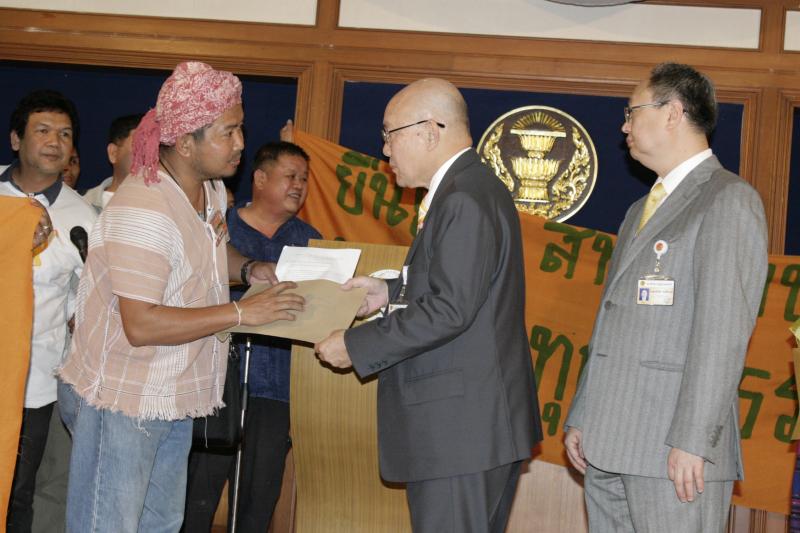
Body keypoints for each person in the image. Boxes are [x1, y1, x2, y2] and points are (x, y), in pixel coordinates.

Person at [57, 61, 305, 533]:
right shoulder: (144, 209)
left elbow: (209, 251)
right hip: (124, 398)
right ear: (186, 143)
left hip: (171, 394)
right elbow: (141, 324)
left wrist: (249, 269)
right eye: (228, 132)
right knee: (107, 525)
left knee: (162, 524)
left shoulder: (210, 189)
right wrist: (241, 312)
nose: (241, 143)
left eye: (240, 128)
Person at [315, 78, 542, 533]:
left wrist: (356, 346)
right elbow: (461, 285)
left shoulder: (464, 198)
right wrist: (390, 290)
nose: (385, 150)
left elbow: (449, 309)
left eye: (390, 134)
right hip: (469, 427)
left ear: (429, 131)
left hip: (460, 430)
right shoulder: (468, 187)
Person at [563, 62, 768, 533]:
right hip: (608, 442)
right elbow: (612, 322)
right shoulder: (640, 209)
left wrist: (694, 440)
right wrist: (583, 414)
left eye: (631, 112)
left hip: (673, 453)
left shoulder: (727, 199)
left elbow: (722, 334)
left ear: (673, 113)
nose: (624, 127)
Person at [183, 140, 321, 532]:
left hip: (277, 391)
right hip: (215, 385)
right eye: (290, 176)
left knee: (258, 503)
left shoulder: (312, 240)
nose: (299, 185)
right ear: (260, 178)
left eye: (304, 179)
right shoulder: (220, 227)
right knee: (197, 496)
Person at [0, 89, 97, 533]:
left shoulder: (84, 218)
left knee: (17, 491)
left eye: (65, 134)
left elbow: (84, 296)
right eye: (42, 131)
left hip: (33, 383)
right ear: (15, 139)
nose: (55, 142)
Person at [82, 113, 143, 212]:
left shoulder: (166, 207)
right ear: (113, 153)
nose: (150, 157)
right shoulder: (82, 204)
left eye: (156, 150)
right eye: (141, 147)